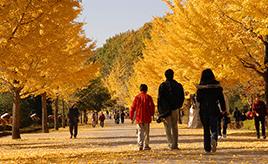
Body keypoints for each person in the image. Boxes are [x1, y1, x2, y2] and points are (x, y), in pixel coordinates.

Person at [196, 68, 226, 153]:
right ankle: (214, 138)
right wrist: (223, 109)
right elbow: (221, 99)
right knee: (214, 127)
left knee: (206, 129)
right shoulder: (217, 86)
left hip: (204, 109)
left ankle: (207, 148)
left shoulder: (200, 87)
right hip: (214, 108)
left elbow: (198, 99)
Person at [157, 69, 185, 150]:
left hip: (166, 110)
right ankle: (175, 144)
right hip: (175, 108)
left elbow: (159, 99)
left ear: (165, 75)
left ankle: (170, 143)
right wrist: (179, 105)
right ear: (173, 75)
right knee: (175, 126)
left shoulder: (162, 86)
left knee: (167, 127)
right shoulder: (178, 85)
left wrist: (160, 110)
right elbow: (182, 97)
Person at [130, 84, 155, 151]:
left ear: (140, 89)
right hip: (147, 117)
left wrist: (132, 117)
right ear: (146, 89)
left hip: (139, 117)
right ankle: (146, 145)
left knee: (140, 132)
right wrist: (152, 114)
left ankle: (140, 145)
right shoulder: (148, 97)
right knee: (146, 132)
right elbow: (152, 106)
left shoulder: (137, 97)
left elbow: (132, 107)